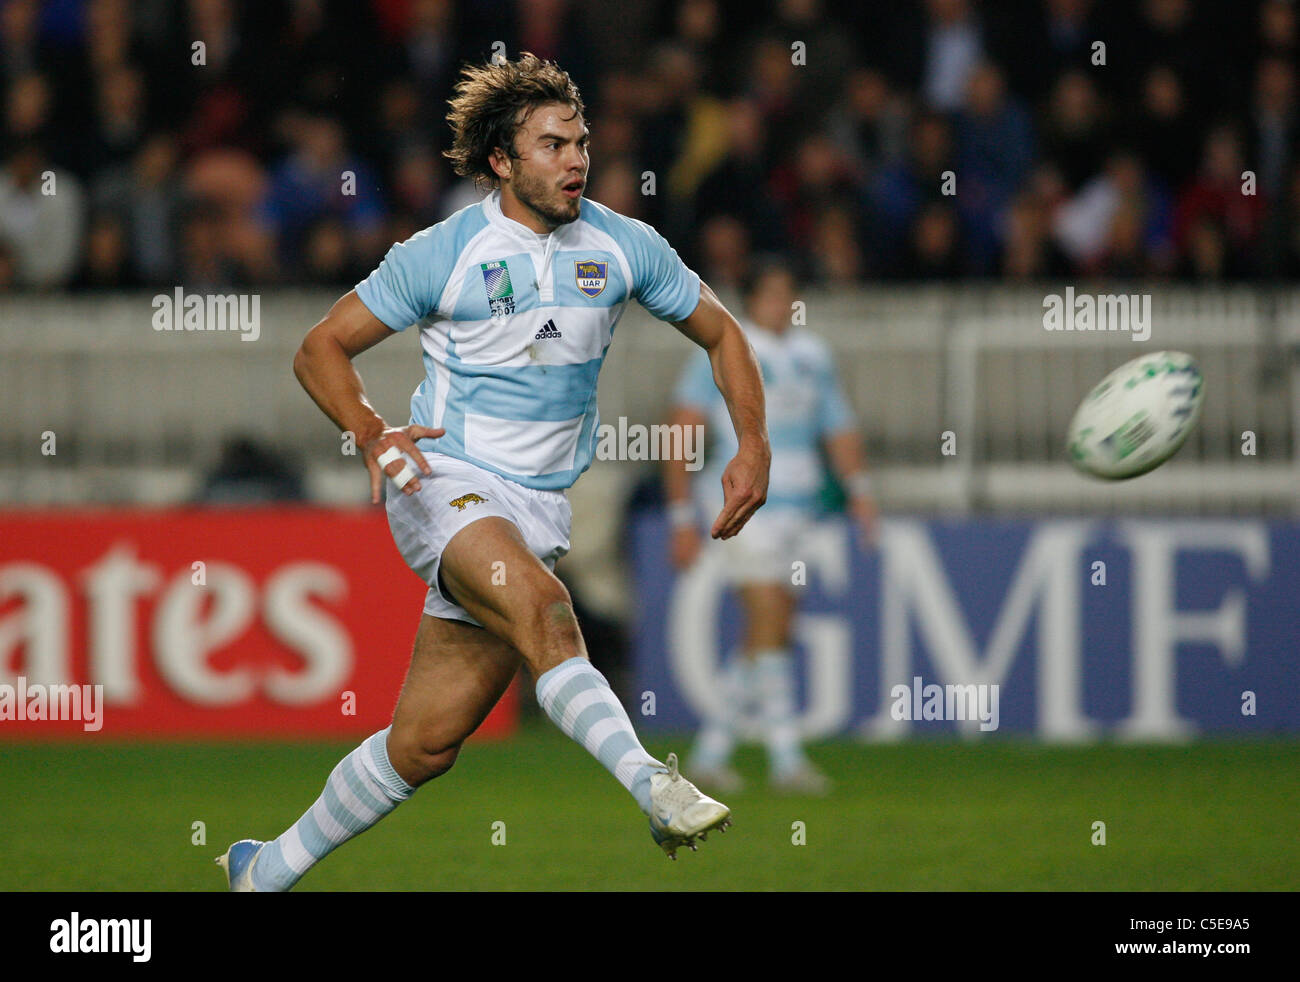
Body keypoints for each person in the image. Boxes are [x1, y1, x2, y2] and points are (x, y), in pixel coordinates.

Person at [216, 53, 770, 890]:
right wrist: (371, 430)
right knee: (547, 610)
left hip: (537, 509)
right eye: (552, 145)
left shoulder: (625, 247)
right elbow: (319, 348)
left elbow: (725, 335)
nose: (576, 159)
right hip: (444, 479)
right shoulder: (443, 252)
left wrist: (752, 447)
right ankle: (653, 785)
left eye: (580, 142)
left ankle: (263, 871)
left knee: (425, 744)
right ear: (502, 162)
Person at [665, 263, 878, 795]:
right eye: (770, 295)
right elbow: (682, 431)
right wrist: (679, 517)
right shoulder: (726, 347)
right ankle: (786, 758)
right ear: (751, 301)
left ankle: (711, 753)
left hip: (799, 508)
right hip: (741, 502)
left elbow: (839, 425)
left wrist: (861, 494)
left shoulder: (813, 357)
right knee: (766, 610)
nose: (779, 305)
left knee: (773, 625)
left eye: (788, 294)